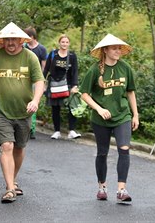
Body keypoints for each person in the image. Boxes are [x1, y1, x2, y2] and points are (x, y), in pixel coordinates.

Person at [0, 22, 44, 203]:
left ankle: (12, 180)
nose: (10, 42)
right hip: (1, 112)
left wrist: (35, 101)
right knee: (6, 146)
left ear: (21, 40)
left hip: (24, 112)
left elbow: (39, 81)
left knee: (19, 147)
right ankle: (9, 189)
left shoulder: (30, 57)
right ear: (2, 41)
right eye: (7, 39)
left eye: (14, 38)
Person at [80, 34, 139, 203]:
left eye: (119, 48)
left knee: (124, 149)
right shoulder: (94, 70)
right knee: (102, 153)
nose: (118, 51)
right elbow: (84, 94)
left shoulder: (125, 68)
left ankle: (121, 190)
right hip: (101, 119)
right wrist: (99, 109)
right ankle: (102, 186)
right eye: (114, 48)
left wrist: (135, 114)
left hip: (123, 116)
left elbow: (130, 92)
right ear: (105, 50)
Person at [44, 34, 81, 140]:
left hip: (68, 85)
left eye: (66, 42)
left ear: (69, 43)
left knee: (72, 107)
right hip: (54, 84)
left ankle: (72, 131)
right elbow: (46, 69)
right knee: (55, 108)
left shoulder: (72, 56)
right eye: (62, 42)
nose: (64, 44)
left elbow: (75, 72)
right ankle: (57, 131)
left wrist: (75, 85)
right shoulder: (53, 54)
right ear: (59, 43)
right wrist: (42, 82)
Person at [24, 27, 47, 139]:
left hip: (35, 81)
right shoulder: (23, 47)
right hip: (23, 79)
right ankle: (24, 127)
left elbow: (44, 66)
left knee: (33, 103)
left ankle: (31, 128)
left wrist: (42, 82)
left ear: (32, 37)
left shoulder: (41, 49)